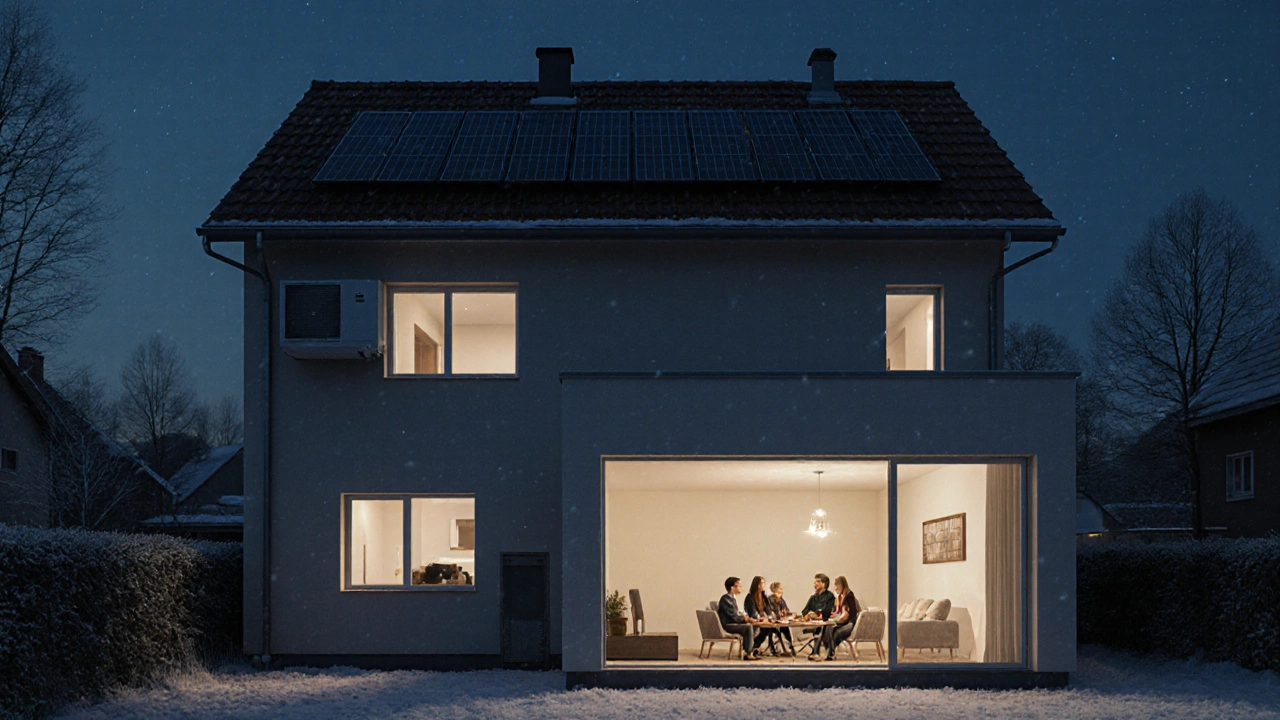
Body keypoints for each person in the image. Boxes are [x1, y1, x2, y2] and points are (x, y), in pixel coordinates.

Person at [816, 575, 861, 661]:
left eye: (836, 585)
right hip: (845, 623)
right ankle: (829, 652)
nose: (835, 588)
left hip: (851, 625)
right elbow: (838, 613)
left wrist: (833, 619)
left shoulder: (849, 596)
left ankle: (830, 653)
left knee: (835, 632)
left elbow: (845, 616)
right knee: (827, 628)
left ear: (842, 585)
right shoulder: (840, 597)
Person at [717, 576, 761, 660]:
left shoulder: (732, 598)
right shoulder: (726, 599)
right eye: (738, 586)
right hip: (729, 624)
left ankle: (748, 649)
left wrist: (746, 618)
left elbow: (736, 614)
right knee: (748, 627)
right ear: (732, 587)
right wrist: (746, 619)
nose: (740, 588)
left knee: (754, 626)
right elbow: (733, 616)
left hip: (733, 622)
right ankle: (748, 653)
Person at [743, 576, 782, 656]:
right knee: (767, 629)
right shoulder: (750, 597)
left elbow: (768, 610)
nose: (764, 585)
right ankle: (754, 647)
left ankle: (779, 649)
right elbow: (753, 613)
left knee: (781, 628)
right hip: (754, 622)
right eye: (762, 583)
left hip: (764, 621)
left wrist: (771, 616)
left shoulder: (763, 596)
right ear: (757, 585)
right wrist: (763, 619)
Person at [800, 573, 835, 660]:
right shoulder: (813, 597)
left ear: (824, 584)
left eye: (818, 582)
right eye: (815, 582)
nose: (815, 584)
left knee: (822, 627)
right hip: (813, 622)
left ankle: (816, 652)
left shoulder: (830, 596)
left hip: (826, 622)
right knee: (819, 627)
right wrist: (808, 615)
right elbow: (805, 610)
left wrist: (817, 615)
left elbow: (828, 611)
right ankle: (818, 652)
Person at [764, 581, 795, 655]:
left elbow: (786, 610)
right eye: (780, 589)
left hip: (781, 622)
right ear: (775, 590)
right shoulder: (770, 599)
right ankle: (781, 648)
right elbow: (770, 612)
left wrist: (786, 613)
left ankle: (789, 648)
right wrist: (779, 614)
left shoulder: (781, 600)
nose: (782, 590)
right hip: (773, 623)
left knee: (785, 629)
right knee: (781, 630)